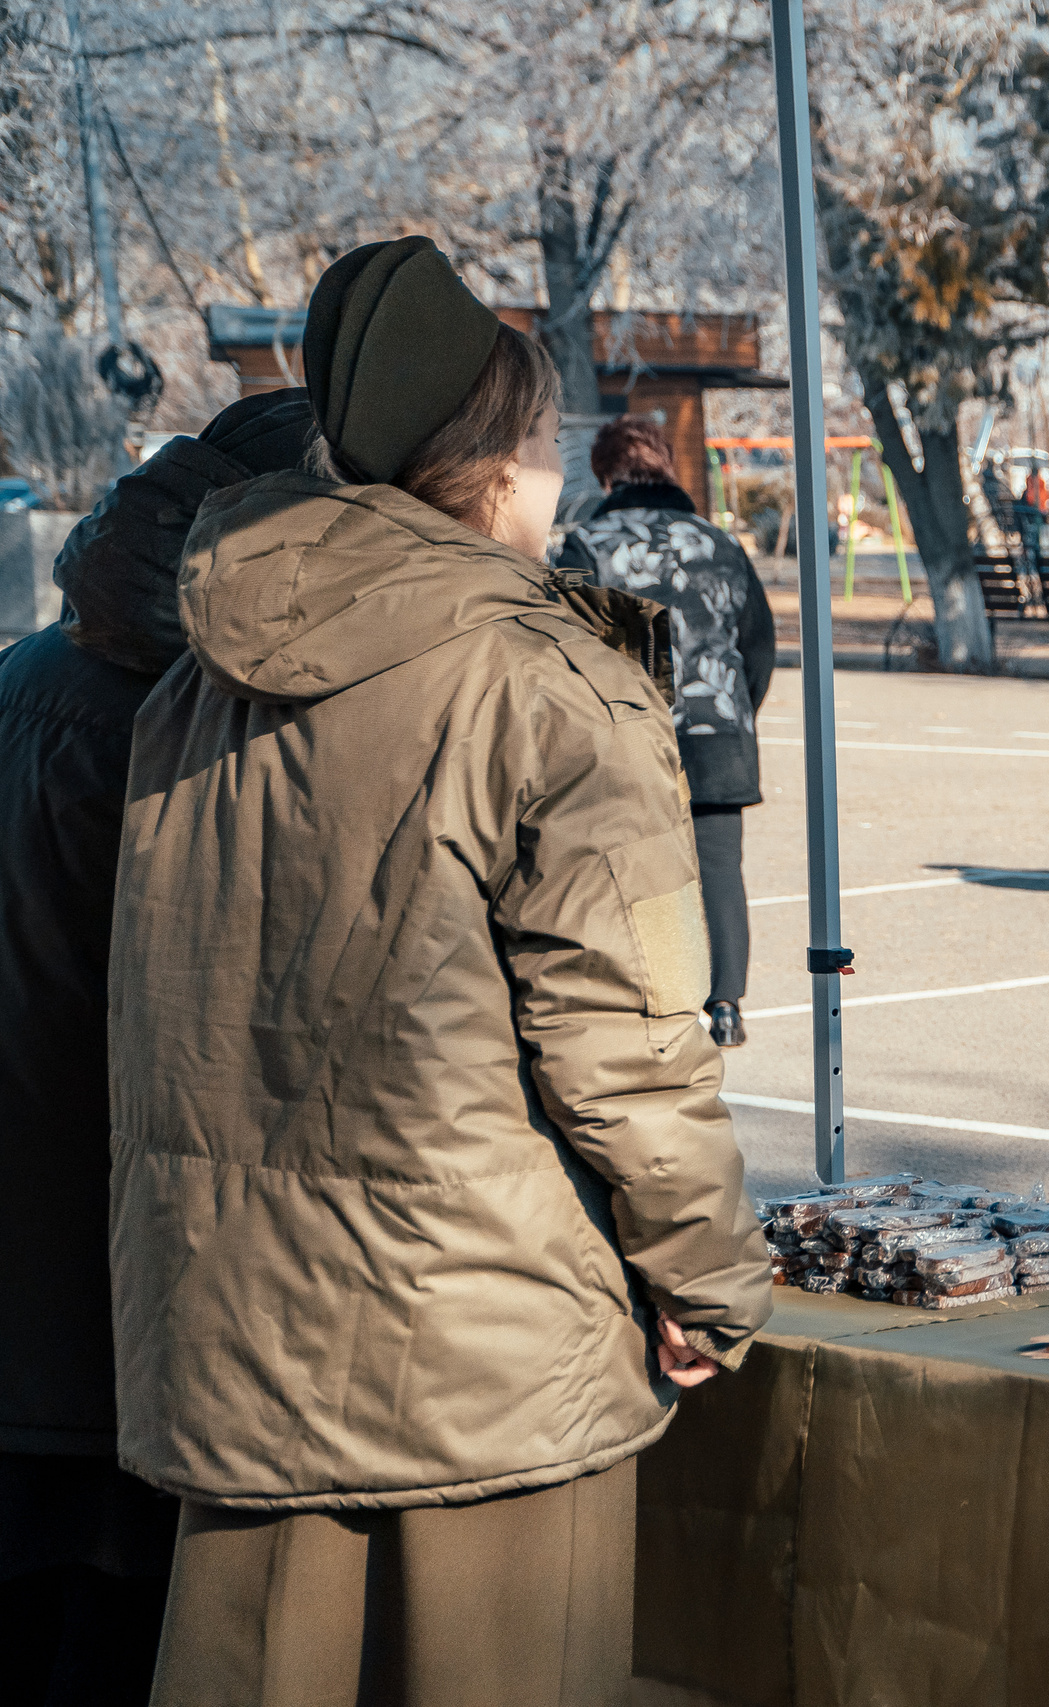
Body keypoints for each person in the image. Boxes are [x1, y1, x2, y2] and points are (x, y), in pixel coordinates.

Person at [109, 237, 770, 1707]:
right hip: (489, 1358)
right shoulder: (554, 680)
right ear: (498, 462)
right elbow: (633, 1041)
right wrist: (711, 1278)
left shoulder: (194, 680)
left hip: (235, 1344)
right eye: (545, 442)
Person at [0, 389, 312, 1707]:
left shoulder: (31, 668)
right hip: (115, 1274)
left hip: (40, 1265)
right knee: (109, 1628)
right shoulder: (185, 715)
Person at [555, 415, 775, 1048]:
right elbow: (758, 643)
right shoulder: (720, 543)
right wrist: (735, 708)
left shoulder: (585, 545)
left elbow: (562, 641)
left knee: (632, 871)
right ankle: (726, 1005)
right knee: (720, 868)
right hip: (719, 727)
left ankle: (648, 1002)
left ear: (605, 476)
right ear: (667, 468)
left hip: (629, 732)